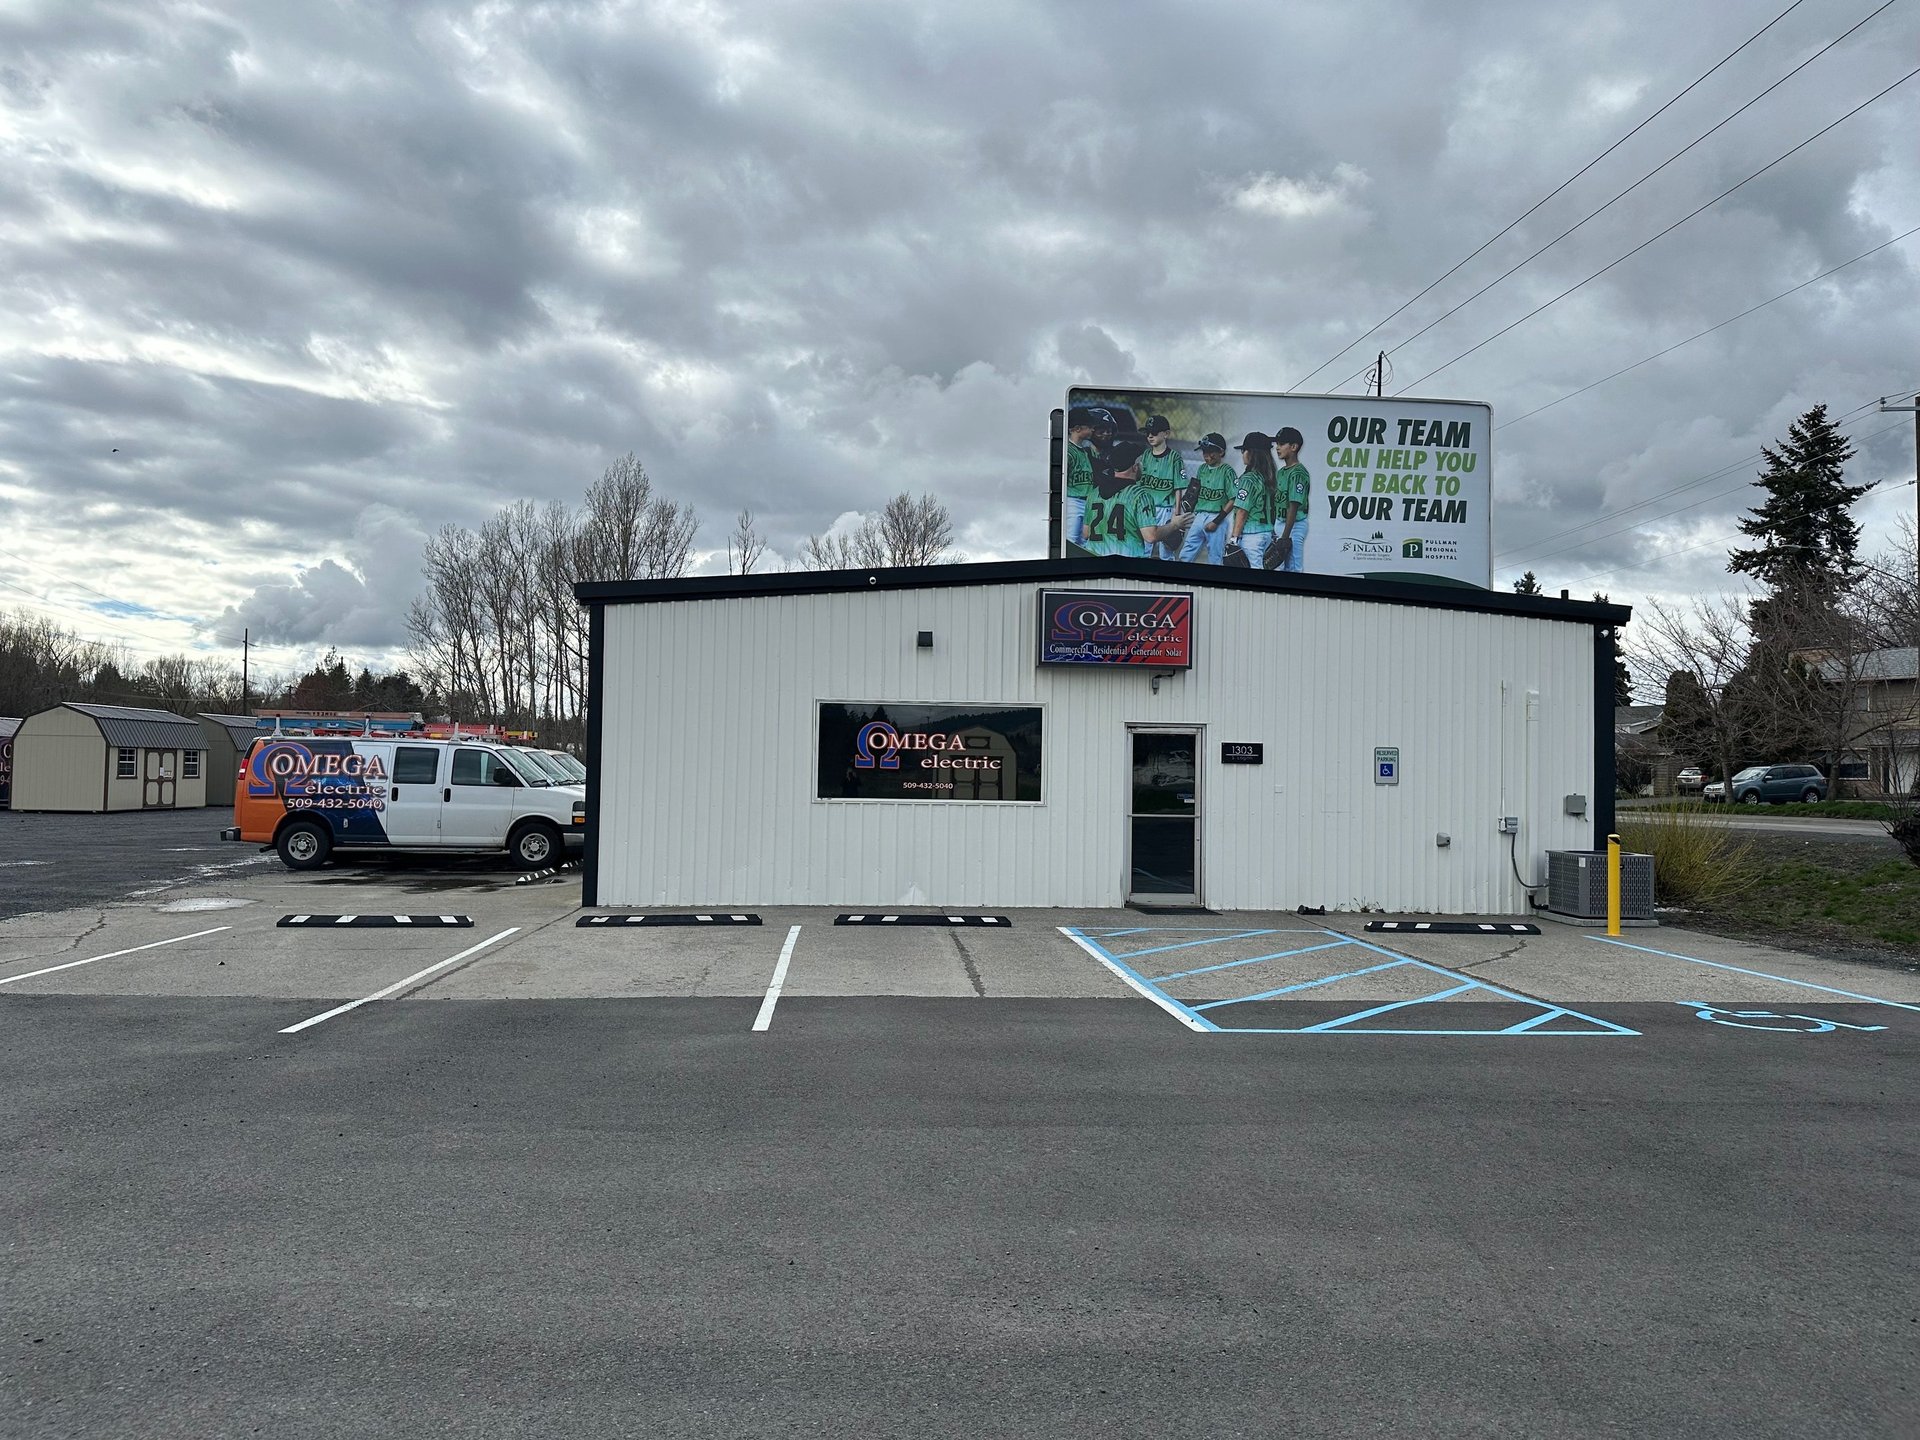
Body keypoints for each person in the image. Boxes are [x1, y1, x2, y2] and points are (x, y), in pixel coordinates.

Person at [1081, 439, 1194, 558]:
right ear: (1134, 467)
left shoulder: (1094, 493)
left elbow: (1086, 533)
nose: (1142, 466)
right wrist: (1175, 524)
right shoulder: (1140, 496)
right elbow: (1151, 536)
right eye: (1140, 463)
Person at [1177, 432, 1237, 565]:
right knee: (1186, 553)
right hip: (1199, 516)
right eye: (1204, 452)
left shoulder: (1227, 471)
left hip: (1217, 517)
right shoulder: (1202, 469)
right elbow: (1195, 493)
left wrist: (1216, 521)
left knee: (1215, 557)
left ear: (1221, 452)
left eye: (1210, 452)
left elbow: (1233, 499)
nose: (1206, 455)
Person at [1135, 415, 1189, 561]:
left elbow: (1179, 487)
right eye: (1147, 432)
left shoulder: (1174, 458)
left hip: (1166, 509)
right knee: (1144, 548)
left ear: (1166, 434)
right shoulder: (1146, 455)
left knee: (1166, 551)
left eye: (1154, 432)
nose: (1150, 436)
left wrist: (1177, 513)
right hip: (1146, 509)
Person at [1226, 432, 1278, 568]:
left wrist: (1233, 540)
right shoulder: (1268, 477)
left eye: (1243, 450)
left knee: (1253, 576)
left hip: (1251, 536)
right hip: (1267, 533)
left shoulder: (1248, 479)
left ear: (1251, 453)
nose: (1242, 454)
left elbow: (1242, 511)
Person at [1273, 425, 1310, 572]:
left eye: (1282, 444)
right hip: (1281, 524)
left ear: (1294, 447)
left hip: (1294, 526)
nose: (1277, 447)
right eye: (1277, 444)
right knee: (1279, 568)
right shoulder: (1281, 472)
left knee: (1294, 569)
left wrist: (1284, 537)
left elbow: (1293, 507)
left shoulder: (1298, 473)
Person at [1063, 406, 1097, 548]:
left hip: (1087, 502)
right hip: (1072, 500)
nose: (1092, 429)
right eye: (1089, 426)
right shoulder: (1068, 451)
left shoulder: (1086, 450)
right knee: (1071, 539)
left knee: (1085, 542)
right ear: (1077, 429)